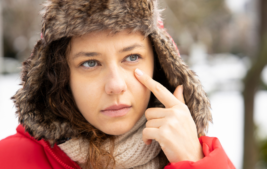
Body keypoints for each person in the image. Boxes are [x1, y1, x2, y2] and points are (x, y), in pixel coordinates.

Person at [0, 0, 235, 169]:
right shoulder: (9, 160)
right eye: (90, 63)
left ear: (160, 64)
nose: (115, 85)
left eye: (132, 58)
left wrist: (194, 162)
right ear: (61, 76)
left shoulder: (201, 155)